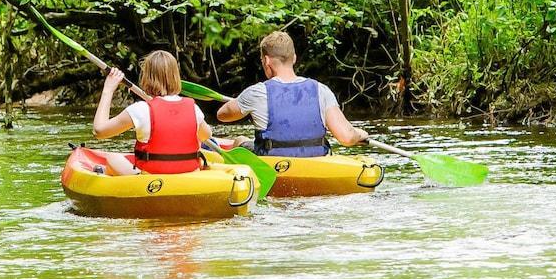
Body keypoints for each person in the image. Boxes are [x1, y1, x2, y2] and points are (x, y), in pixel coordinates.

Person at [215, 30, 369, 157]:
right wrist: (360, 134)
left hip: (274, 163)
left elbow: (222, 115)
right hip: (315, 162)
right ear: (294, 58)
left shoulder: (257, 93)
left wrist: (242, 102)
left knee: (240, 140)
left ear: (266, 60)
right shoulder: (321, 90)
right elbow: (347, 138)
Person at [90, 49, 214, 177]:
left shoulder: (140, 109)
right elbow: (206, 135)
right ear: (176, 76)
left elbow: (99, 131)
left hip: (151, 178)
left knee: (112, 158)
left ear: (146, 77)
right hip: (189, 175)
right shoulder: (193, 108)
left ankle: (106, 174)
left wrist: (108, 89)